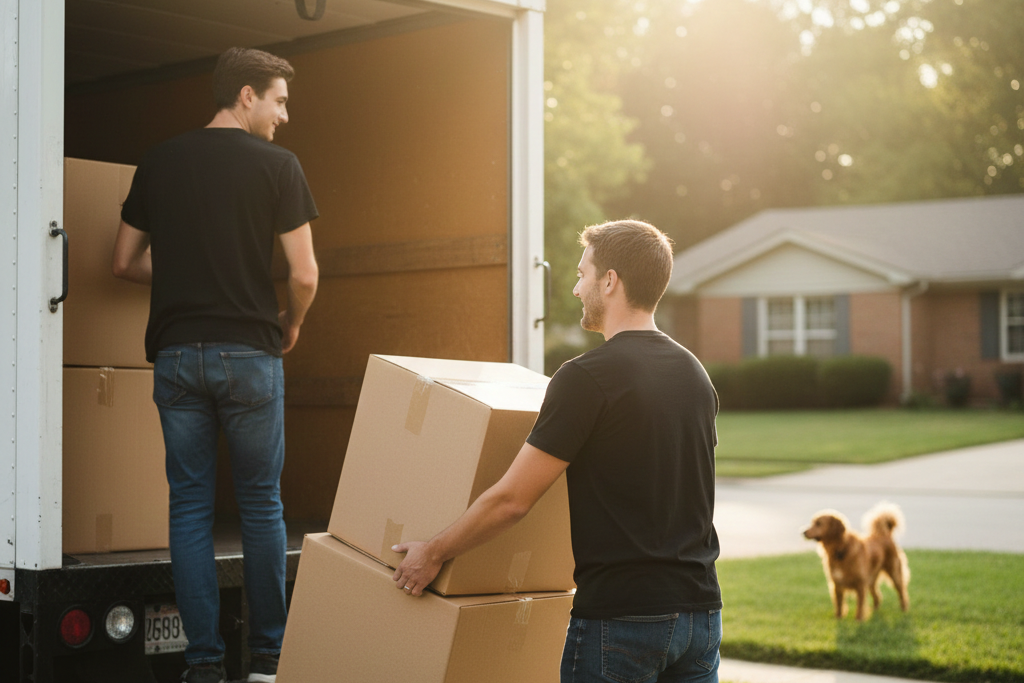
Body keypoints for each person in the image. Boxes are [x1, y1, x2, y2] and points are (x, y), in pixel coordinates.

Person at [393, 220, 722, 683]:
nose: (575, 288)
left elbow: (512, 500)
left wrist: (433, 552)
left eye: (582, 273)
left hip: (622, 620)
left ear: (610, 281)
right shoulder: (695, 374)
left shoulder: (587, 377)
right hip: (701, 615)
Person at [112, 47, 319, 683]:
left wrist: (182, 280)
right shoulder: (279, 167)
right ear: (246, 96)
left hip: (176, 356)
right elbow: (305, 274)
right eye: (279, 100)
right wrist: (291, 323)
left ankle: (202, 666)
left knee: (190, 509)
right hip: (251, 355)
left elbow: (122, 261)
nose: (285, 115)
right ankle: (265, 661)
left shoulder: (161, 161)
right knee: (261, 507)